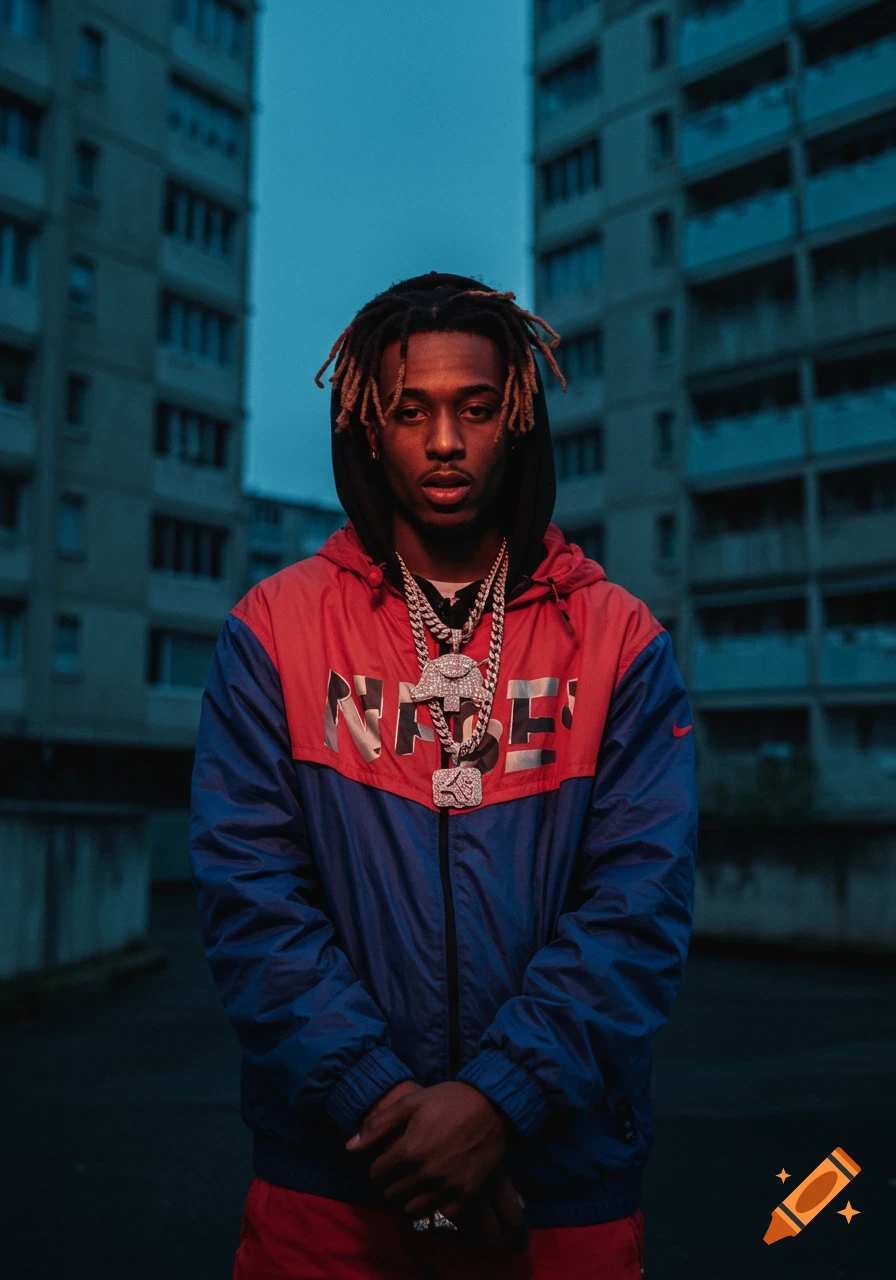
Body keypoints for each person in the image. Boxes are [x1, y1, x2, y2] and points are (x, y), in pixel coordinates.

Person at [190, 271, 697, 1280]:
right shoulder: (273, 631)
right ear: (367, 429)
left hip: (560, 1193)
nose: (446, 441)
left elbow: (638, 906)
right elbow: (251, 900)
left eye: (474, 406)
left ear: (517, 419)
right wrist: (392, 1115)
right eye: (409, 409)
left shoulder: (617, 638)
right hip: (329, 1192)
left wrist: (497, 1102)